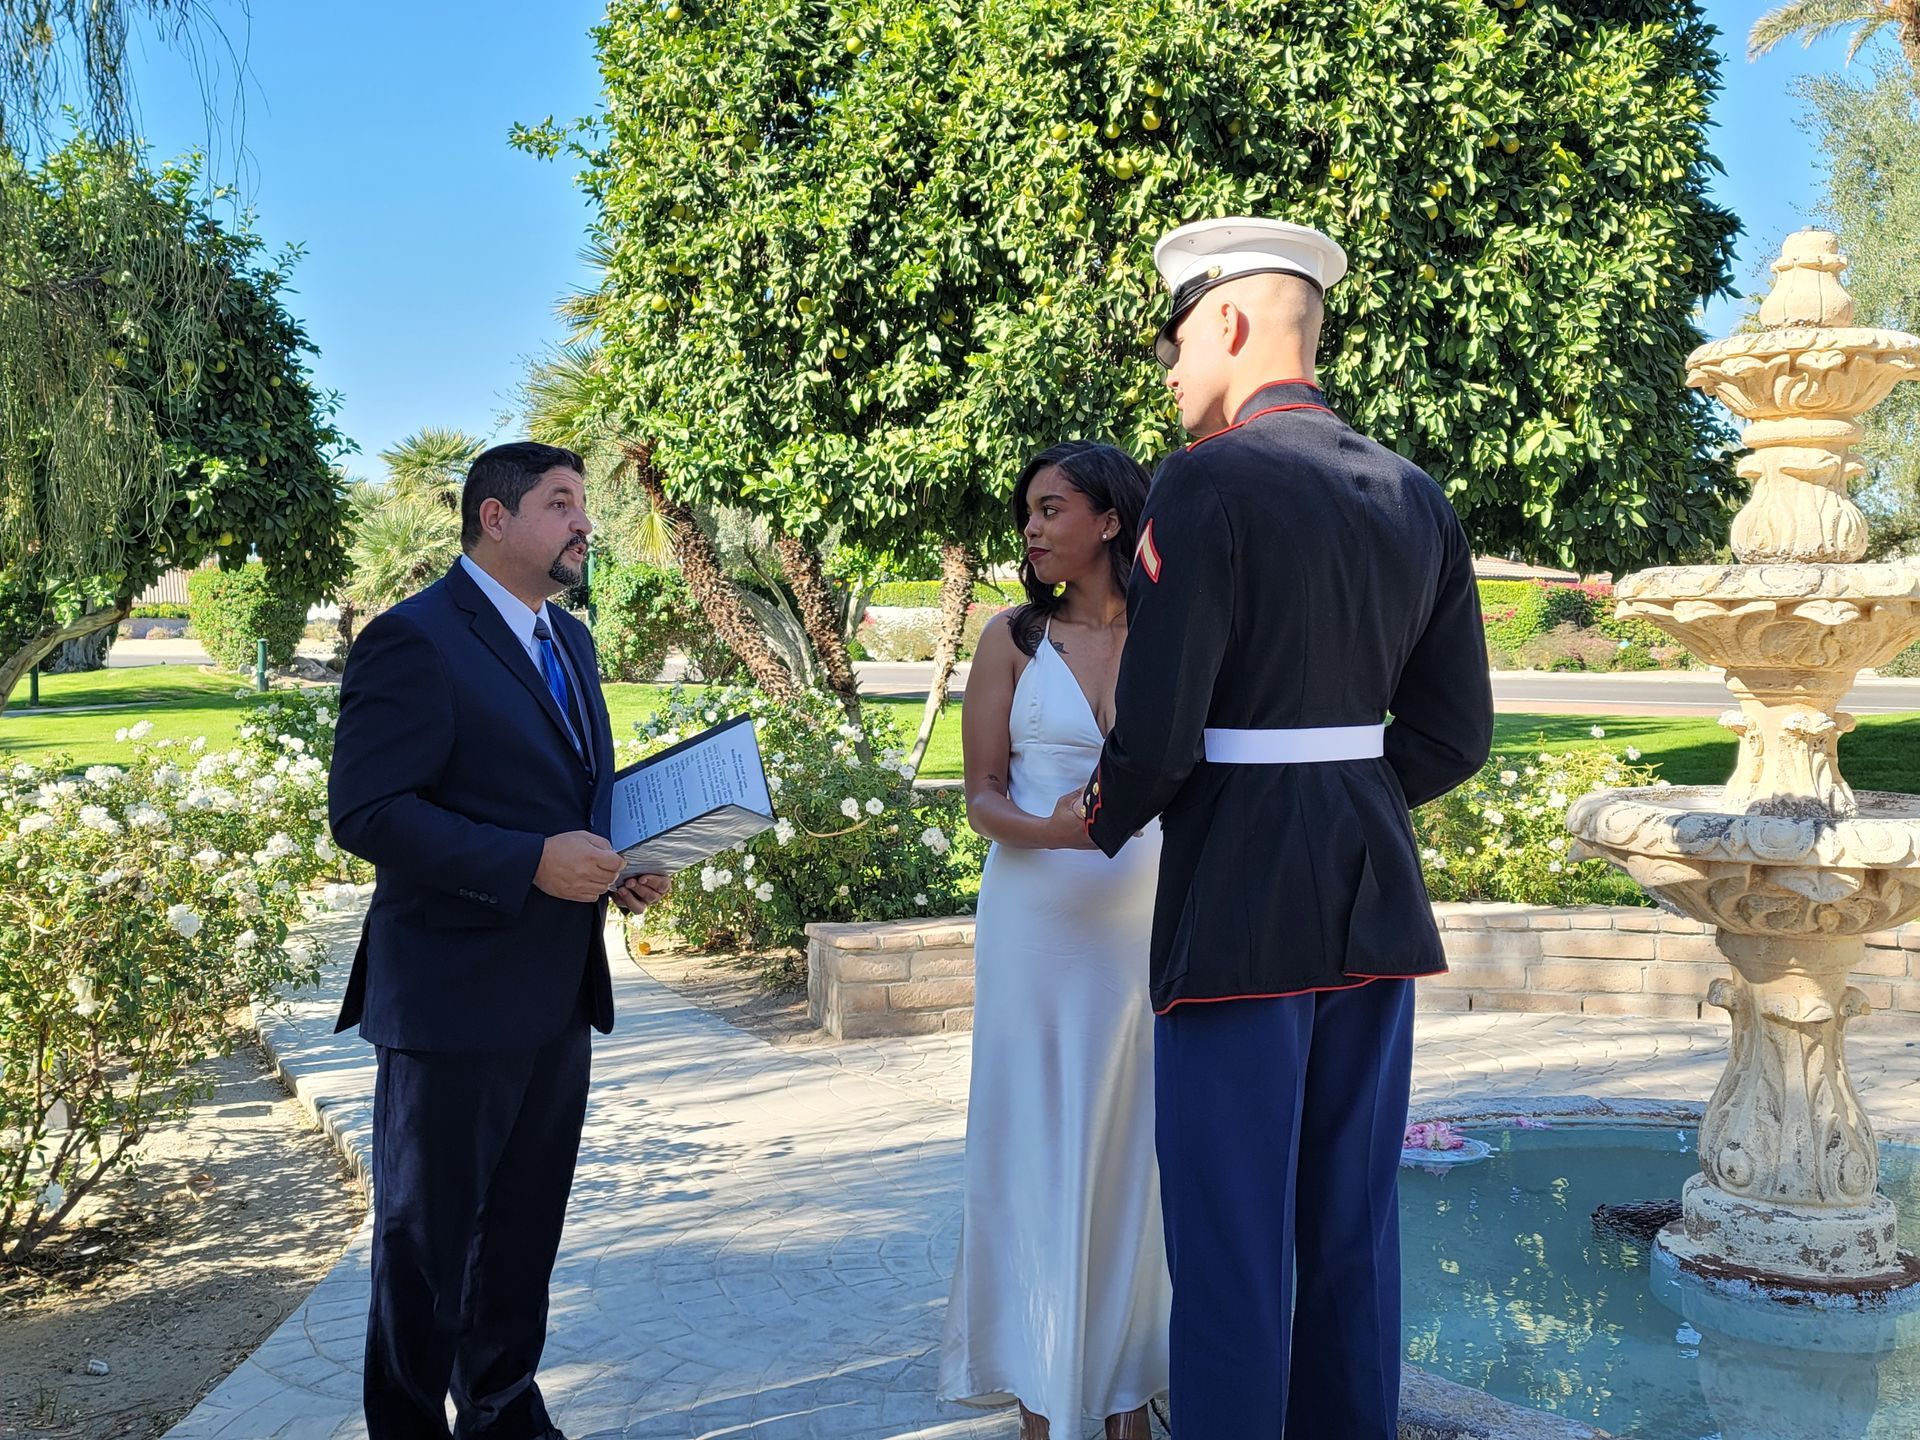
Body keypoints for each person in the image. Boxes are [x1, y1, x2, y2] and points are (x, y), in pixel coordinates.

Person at [1037, 219, 1494, 1436]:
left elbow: (1161, 727)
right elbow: (1455, 735)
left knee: (1231, 1239)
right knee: (1350, 1225)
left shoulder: (1205, 482)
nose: (1174, 374)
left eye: (1177, 342)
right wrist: (1344, 798)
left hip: (1240, 900)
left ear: (1229, 323)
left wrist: (1108, 810)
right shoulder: (1416, 492)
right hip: (1374, 895)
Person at [329, 441, 670, 1440]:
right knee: (425, 1247)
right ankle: (406, 1426)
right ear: (494, 517)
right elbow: (368, 811)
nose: (584, 522)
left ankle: (504, 1410)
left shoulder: (572, 642)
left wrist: (621, 861)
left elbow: (574, 795)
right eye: (562, 503)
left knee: (522, 1236)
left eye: (583, 503)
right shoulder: (414, 639)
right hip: (449, 993)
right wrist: (529, 861)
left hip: (557, 990)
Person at [940, 441, 1168, 1440]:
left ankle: (1124, 1386)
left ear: (1110, 521)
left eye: (1051, 508)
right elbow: (981, 793)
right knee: (1037, 1144)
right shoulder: (1011, 639)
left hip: (1148, 930)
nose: (1031, 527)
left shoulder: (1175, 631)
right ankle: (1042, 1390)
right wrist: (1055, 832)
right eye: (1028, 511)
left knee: (1137, 1151)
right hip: (1036, 928)